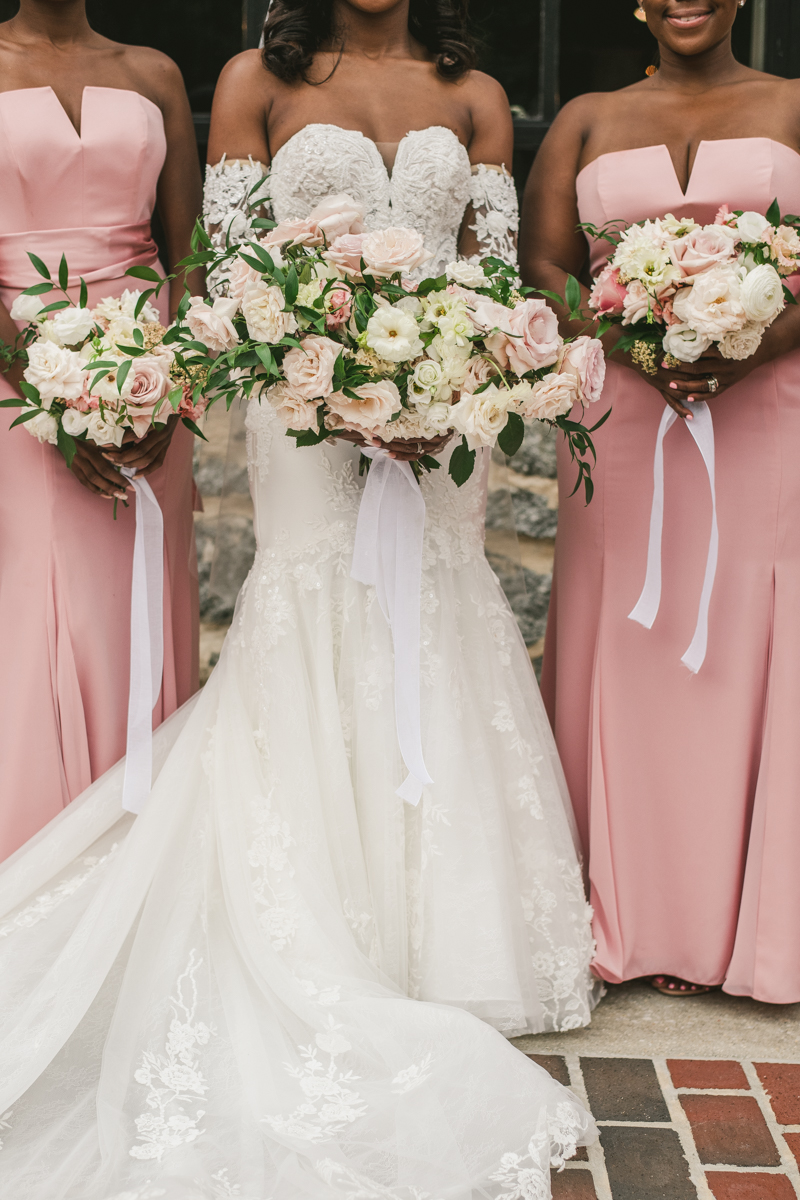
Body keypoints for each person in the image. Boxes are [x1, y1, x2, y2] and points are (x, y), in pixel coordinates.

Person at [0, 3, 597, 1196]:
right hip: (299, 399)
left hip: (439, 415)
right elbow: (221, 270)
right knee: (311, 603)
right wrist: (319, 375)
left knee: (438, 610)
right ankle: (319, 912)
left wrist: (444, 380)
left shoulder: (473, 93)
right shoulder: (243, 82)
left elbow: (487, 277)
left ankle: (443, 934)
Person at [521, 0, 800, 1001]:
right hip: (623, 419)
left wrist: (759, 339)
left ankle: (743, 926)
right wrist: (639, 346)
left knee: (748, 637)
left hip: (770, 409)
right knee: (627, 642)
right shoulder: (584, 118)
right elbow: (546, 266)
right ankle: (630, 912)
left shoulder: (792, 102)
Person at [0, 0, 203, 860]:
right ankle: (40, 856)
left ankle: (143, 857)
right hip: (18, 380)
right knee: (42, 611)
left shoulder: (153, 72)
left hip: (149, 380)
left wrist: (176, 387)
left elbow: (189, 251)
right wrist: (44, 397)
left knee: (141, 599)